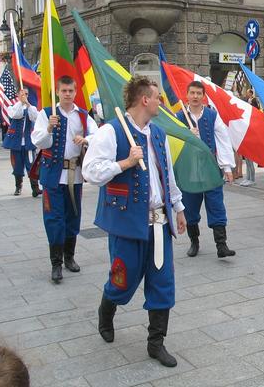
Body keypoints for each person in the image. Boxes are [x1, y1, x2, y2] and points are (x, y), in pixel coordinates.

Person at [82, 76, 186, 368]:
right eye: (157, 98)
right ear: (144, 100)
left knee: (162, 283)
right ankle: (107, 310)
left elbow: (168, 174)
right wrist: (124, 163)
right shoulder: (111, 132)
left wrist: (177, 207)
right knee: (122, 281)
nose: (160, 102)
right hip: (128, 223)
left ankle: (156, 343)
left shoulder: (159, 135)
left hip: (159, 222)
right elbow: (90, 171)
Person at [32, 75, 98, 284]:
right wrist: (49, 128)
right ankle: (56, 263)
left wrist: (85, 139)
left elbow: (98, 135)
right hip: (52, 175)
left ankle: (69, 257)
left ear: (75, 92)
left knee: (72, 217)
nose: (67, 94)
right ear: (58, 93)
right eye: (64, 91)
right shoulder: (47, 114)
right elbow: (39, 141)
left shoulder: (82, 115)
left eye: (71, 91)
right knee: (54, 219)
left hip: (74, 175)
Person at [176, 81, 236, 259]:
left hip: (210, 168)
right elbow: (172, 142)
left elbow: (223, 140)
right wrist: (186, 136)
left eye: (198, 93)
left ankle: (221, 245)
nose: (195, 96)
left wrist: (227, 167)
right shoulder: (179, 117)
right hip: (190, 169)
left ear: (203, 96)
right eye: (192, 93)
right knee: (190, 207)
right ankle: (194, 241)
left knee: (216, 204)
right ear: (187, 95)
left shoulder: (212, 115)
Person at [3, 88, 40, 197]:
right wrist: (21, 103)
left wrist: (27, 104)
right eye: (23, 93)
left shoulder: (31, 107)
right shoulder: (13, 107)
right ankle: (18, 186)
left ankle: (35, 188)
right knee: (17, 166)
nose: (25, 95)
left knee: (31, 165)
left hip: (28, 143)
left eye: (26, 94)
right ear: (18, 94)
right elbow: (15, 115)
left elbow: (35, 117)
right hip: (16, 142)